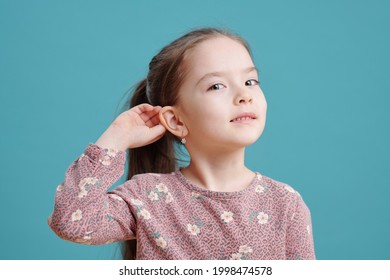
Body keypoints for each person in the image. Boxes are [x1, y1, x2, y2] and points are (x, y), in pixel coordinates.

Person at [48, 27, 315, 260]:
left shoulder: (284, 204)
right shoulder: (148, 198)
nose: (244, 95)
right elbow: (72, 221)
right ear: (175, 121)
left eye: (250, 81)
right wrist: (117, 136)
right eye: (216, 86)